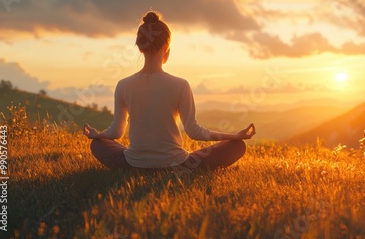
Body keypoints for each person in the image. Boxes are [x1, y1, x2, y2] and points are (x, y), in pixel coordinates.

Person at [83, 11, 255, 171]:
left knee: (97, 144)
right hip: (178, 166)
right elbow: (194, 131)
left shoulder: (123, 85)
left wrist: (97, 135)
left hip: (133, 165)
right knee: (237, 146)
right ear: (166, 47)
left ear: (140, 48)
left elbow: (116, 133)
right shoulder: (180, 85)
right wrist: (233, 136)